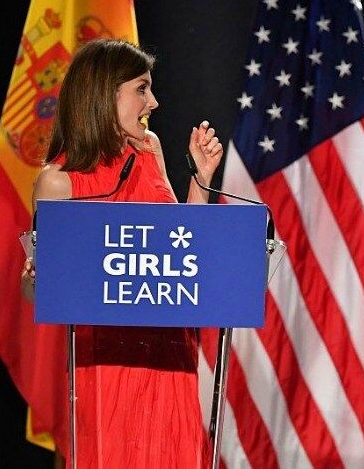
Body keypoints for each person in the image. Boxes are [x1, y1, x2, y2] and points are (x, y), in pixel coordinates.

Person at [19, 39, 222, 467]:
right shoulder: (58, 183)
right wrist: (36, 279)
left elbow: (181, 246)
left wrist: (200, 179)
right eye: (142, 89)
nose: (154, 101)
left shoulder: (148, 151)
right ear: (104, 93)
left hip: (170, 352)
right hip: (106, 364)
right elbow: (37, 292)